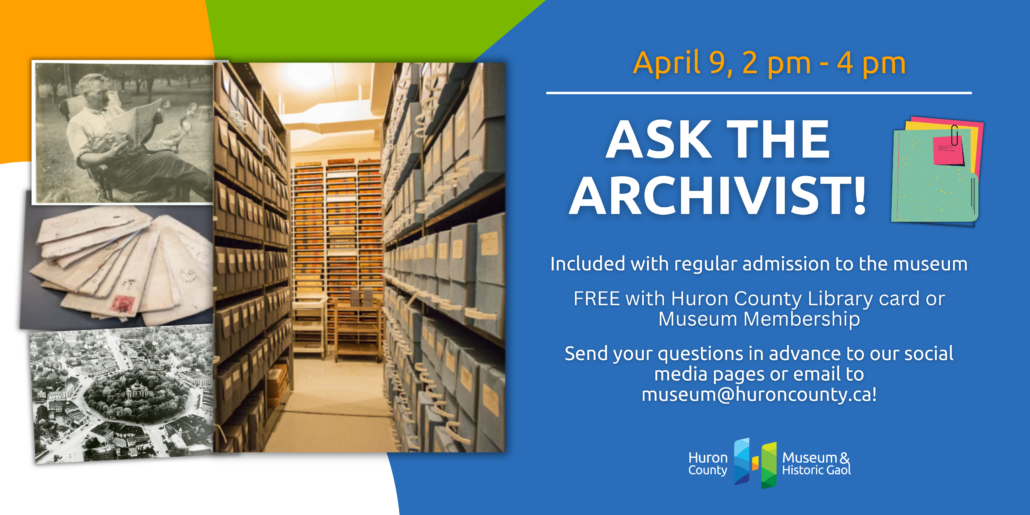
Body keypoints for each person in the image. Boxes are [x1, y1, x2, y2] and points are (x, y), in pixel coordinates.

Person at [65, 73, 212, 202]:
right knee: (169, 157)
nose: (107, 96)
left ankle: (181, 223)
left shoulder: (114, 110)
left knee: (177, 181)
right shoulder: (78, 122)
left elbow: (141, 141)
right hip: (117, 174)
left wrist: (153, 123)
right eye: (101, 93)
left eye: (107, 91)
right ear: (85, 96)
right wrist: (109, 155)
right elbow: (83, 159)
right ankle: (215, 194)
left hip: (138, 163)